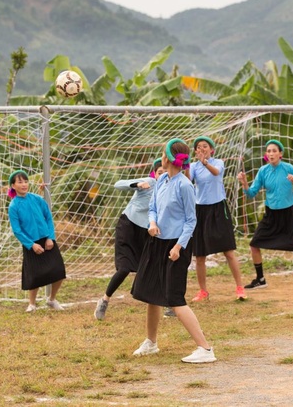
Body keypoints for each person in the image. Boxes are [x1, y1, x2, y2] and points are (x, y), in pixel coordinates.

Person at [131, 138, 216, 364]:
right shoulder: (161, 181)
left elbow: (191, 221)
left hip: (176, 247)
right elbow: (152, 208)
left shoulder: (185, 185)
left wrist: (179, 246)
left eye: (162, 153)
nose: (161, 156)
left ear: (168, 158)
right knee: (151, 294)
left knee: (175, 299)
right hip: (157, 243)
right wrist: (152, 223)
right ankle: (151, 342)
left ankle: (205, 349)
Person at [237, 139, 293, 294]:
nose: (271, 153)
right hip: (271, 215)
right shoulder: (263, 171)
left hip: (289, 214)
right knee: (254, 244)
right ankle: (260, 279)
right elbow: (251, 193)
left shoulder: (288, 168)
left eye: (274, 151)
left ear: (280, 154)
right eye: (268, 151)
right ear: (266, 155)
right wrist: (245, 184)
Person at [94, 159, 165, 320]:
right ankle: (104, 300)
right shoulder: (148, 182)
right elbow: (118, 184)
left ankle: (166, 303)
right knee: (124, 268)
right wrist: (137, 184)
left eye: (166, 172)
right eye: (160, 172)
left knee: (151, 267)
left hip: (147, 233)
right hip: (128, 227)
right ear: (155, 173)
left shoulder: (169, 190)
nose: (163, 175)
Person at [186, 136, 247, 302]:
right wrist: (184, 164)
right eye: (198, 147)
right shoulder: (194, 166)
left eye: (205, 146)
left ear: (211, 149)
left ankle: (240, 287)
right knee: (199, 255)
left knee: (228, 251)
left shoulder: (218, 162)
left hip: (219, 209)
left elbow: (216, 173)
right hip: (200, 211)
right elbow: (186, 180)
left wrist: (205, 162)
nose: (202, 149)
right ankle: (203, 291)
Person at [8, 170, 66, 312]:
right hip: (31, 244)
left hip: (47, 241)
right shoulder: (14, 206)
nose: (24, 184)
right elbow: (17, 230)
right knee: (34, 275)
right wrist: (31, 245)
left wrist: (50, 237)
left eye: (25, 181)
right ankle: (32, 304)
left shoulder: (37, 199)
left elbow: (48, 218)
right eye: (20, 182)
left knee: (59, 271)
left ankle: (51, 300)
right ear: (13, 185)